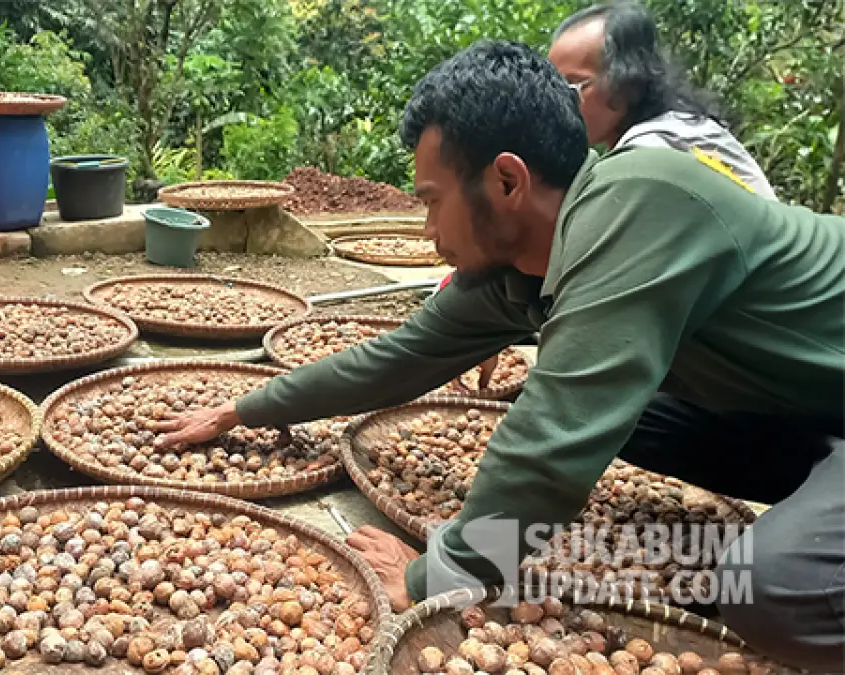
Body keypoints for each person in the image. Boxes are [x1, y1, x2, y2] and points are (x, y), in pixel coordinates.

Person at [156, 41, 845, 670]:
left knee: (775, 588)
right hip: (806, 404)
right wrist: (245, 405)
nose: (428, 232)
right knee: (629, 416)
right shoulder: (516, 269)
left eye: (431, 202)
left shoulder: (641, 203)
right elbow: (402, 356)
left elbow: (554, 437)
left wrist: (437, 571)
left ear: (508, 181)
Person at [549, 2, 776, 199]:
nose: (559, 103)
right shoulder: (685, 128)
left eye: (574, 86)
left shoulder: (650, 153)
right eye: (554, 88)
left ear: (627, 82)